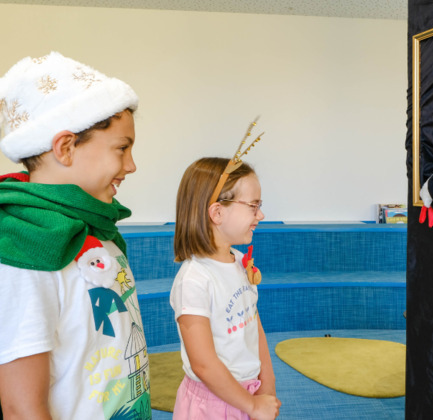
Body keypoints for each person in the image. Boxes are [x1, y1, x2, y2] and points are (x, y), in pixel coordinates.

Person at [0, 52, 151, 419]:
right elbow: (23, 409)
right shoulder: (24, 252)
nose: (131, 165)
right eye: (121, 148)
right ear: (65, 147)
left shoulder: (98, 228)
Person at [171, 155, 280, 420]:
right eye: (253, 206)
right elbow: (203, 364)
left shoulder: (240, 263)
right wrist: (252, 406)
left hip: (247, 394)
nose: (261, 215)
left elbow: (255, 329)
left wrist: (267, 386)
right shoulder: (194, 280)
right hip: (212, 404)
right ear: (217, 212)